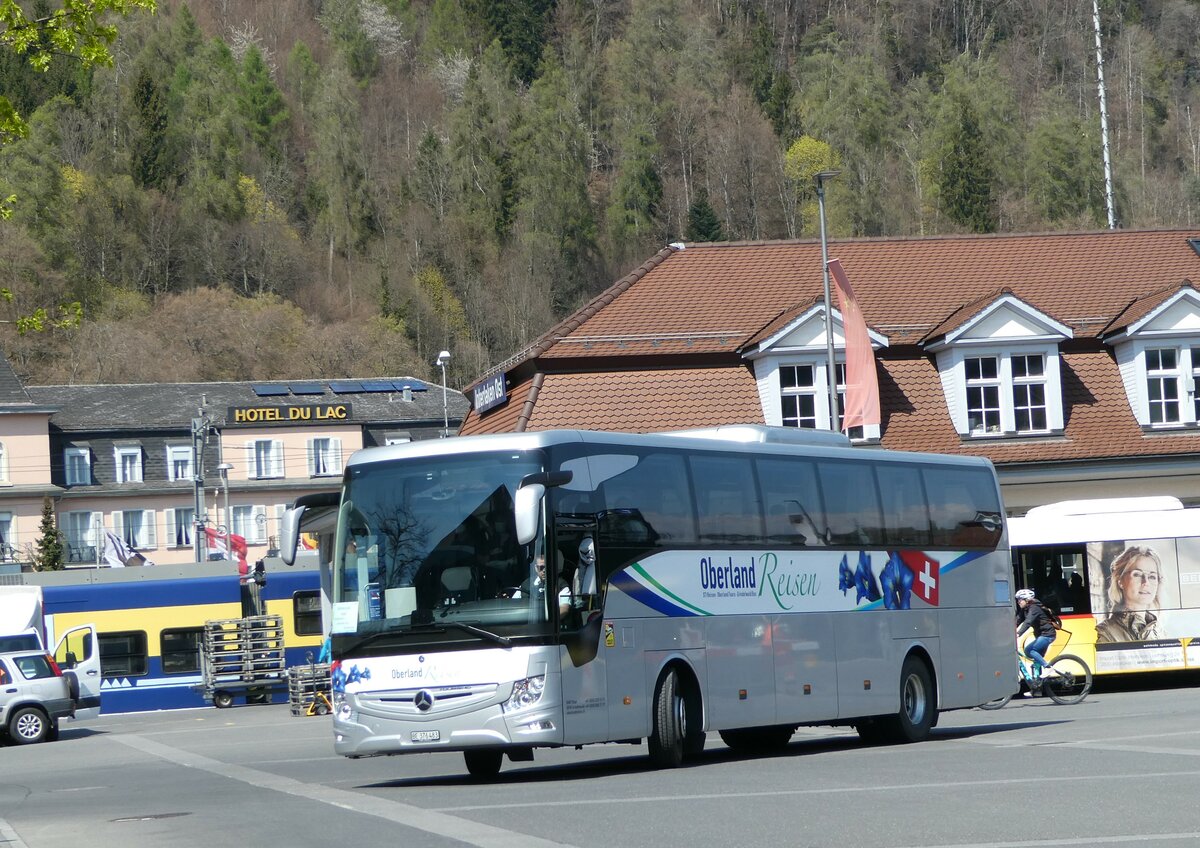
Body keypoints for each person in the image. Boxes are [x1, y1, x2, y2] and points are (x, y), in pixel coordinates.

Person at [1095, 545, 1161, 643]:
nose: (1146, 582)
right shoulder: (1104, 634)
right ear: (1120, 581)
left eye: (1152, 577)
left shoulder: (1160, 633)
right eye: (1137, 574)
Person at [1015, 588, 1060, 682]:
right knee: (1036, 662)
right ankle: (1036, 689)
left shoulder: (1034, 608)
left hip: (1047, 635)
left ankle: (1048, 667)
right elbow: (1017, 620)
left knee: (1029, 650)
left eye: (1020, 599)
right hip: (1041, 635)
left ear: (1027, 600)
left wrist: (1018, 633)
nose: (1018, 602)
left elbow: (1028, 622)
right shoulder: (1025, 610)